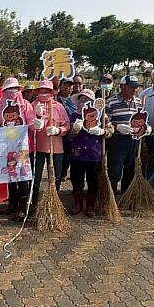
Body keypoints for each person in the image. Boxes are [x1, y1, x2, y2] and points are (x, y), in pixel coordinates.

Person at [0, 77, 36, 221]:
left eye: (15, 89)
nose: (12, 92)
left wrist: (37, 123)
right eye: (8, 89)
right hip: (6, 147)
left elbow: (31, 124)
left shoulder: (25, 104)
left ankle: (23, 207)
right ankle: (12, 204)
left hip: (23, 146)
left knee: (22, 176)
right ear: (3, 90)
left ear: (19, 90)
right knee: (10, 176)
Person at [68, 89, 112, 217]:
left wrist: (102, 131)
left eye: (87, 99)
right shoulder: (74, 115)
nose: (84, 101)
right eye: (82, 99)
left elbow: (111, 129)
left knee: (93, 180)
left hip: (94, 153)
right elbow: (69, 134)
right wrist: (74, 129)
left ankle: (91, 206)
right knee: (76, 180)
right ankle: (77, 205)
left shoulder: (101, 115)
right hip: (77, 154)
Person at [30, 80, 69, 212]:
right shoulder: (33, 105)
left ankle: (53, 204)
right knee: (36, 178)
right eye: (41, 91)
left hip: (56, 148)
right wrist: (36, 121)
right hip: (37, 148)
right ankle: (33, 204)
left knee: (55, 178)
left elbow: (67, 125)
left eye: (46, 91)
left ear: (52, 92)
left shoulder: (58, 107)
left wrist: (58, 130)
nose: (44, 93)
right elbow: (28, 126)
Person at [106, 75, 149, 194]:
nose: (134, 90)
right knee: (115, 170)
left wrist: (146, 128)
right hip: (117, 140)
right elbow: (105, 122)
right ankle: (111, 195)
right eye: (131, 87)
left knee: (130, 169)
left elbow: (142, 120)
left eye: (136, 87)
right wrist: (117, 127)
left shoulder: (139, 102)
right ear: (122, 87)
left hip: (134, 140)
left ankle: (126, 195)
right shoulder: (111, 102)